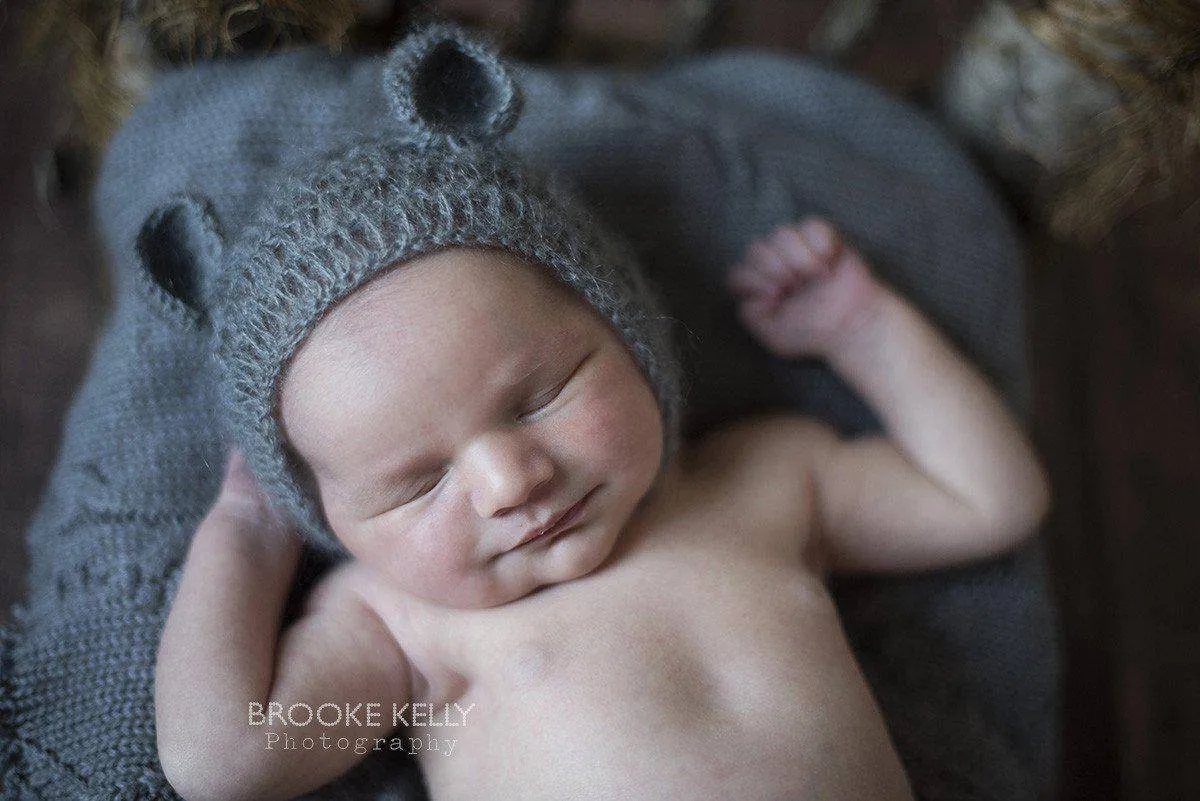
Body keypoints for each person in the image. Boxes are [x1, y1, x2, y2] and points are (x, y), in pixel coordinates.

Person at [154, 144, 1050, 797]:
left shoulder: (762, 483)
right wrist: (243, 534)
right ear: (329, 518)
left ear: (627, 332)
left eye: (540, 395)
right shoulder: (403, 628)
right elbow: (227, 758)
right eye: (417, 481)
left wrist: (866, 333)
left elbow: (990, 501)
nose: (511, 480)